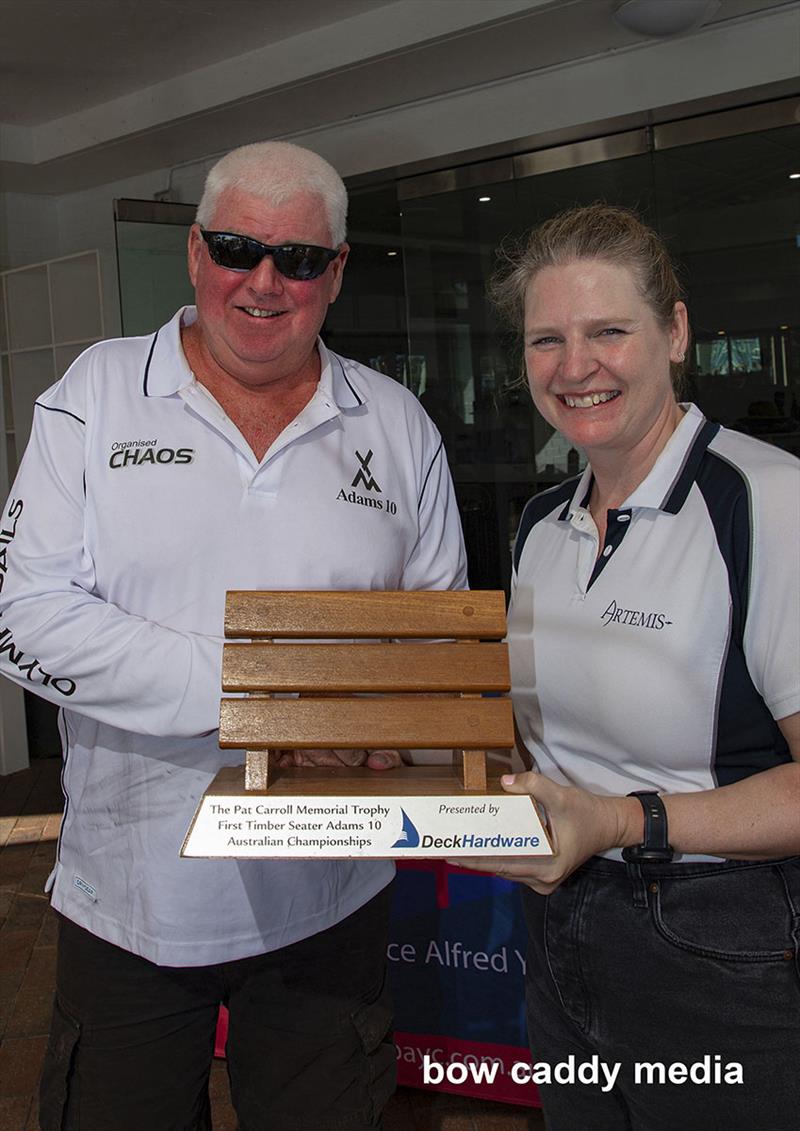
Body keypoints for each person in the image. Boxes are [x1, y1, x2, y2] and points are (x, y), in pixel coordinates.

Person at [0, 140, 467, 1130]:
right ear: (192, 252)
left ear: (334, 272)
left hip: (332, 900)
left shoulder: (393, 422)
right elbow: (22, 615)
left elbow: (436, 645)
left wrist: (395, 718)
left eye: (297, 259)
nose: (263, 281)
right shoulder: (94, 394)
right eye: (235, 247)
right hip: (133, 902)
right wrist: (266, 694)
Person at [458, 204, 800, 1128]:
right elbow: (540, 745)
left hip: (721, 945)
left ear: (676, 331)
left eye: (609, 330)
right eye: (547, 339)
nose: (576, 367)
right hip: (560, 932)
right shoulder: (540, 523)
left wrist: (619, 819)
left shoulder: (767, 503)